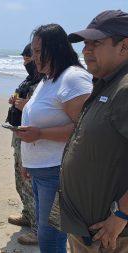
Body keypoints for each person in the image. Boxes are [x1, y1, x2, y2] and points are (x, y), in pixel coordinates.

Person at [15, 24, 93, 252]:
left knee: (50, 237)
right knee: (48, 233)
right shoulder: (48, 79)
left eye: (39, 51)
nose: (34, 57)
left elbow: (85, 129)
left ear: (56, 48)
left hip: (57, 171)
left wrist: (39, 134)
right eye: (34, 51)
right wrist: (29, 161)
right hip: (42, 169)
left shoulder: (73, 78)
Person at [58, 10, 128, 252]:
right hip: (86, 229)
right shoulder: (105, 83)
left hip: (111, 237)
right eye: (85, 44)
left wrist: (121, 215)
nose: (86, 50)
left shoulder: (125, 89)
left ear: (124, 46)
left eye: (95, 43)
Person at [6, 43, 42, 245]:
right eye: (25, 59)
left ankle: (38, 229)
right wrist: (15, 100)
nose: (26, 63)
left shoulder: (47, 81)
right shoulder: (30, 79)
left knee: (31, 184)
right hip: (19, 134)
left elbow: (48, 109)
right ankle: (28, 215)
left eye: (29, 59)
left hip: (34, 139)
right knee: (20, 181)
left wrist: (26, 105)